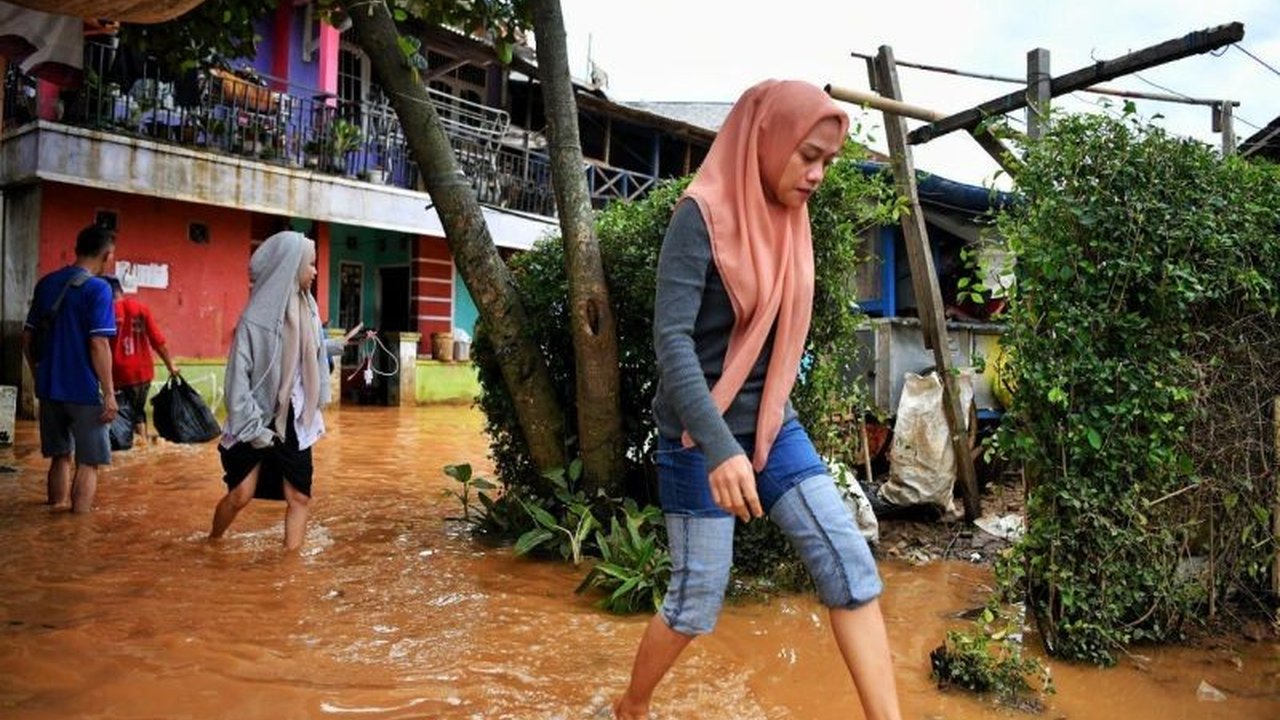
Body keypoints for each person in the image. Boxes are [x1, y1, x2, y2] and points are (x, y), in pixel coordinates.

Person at [613, 81, 902, 719]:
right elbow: (673, 342)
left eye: (827, 160)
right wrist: (719, 449)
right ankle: (631, 706)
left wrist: (754, 438)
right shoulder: (701, 215)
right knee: (697, 600)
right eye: (808, 156)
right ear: (768, 141)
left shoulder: (791, 221)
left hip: (774, 426)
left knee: (848, 559)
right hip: (698, 433)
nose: (818, 174)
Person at [209, 230, 346, 552]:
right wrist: (252, 427)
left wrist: (337, 346)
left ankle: (290, 569)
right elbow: (236, 382)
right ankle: (211, 543)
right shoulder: (252, 322)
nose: (314, 272)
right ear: (289, 266)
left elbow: (305, 350)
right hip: (256, 417)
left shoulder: (308, 310)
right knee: (241, 494)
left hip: (295, 416)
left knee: (299, 496)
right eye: (310, 265)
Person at [21, 225, 119, 513]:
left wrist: (39, 376)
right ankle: (77, 535)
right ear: (107, 255)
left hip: (50, 389)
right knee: (89, 462)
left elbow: (27, 337)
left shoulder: (47, 283)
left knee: (60, 456)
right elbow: (99, 343)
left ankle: (55, 521)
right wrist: (110, 393)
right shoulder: (99, 288)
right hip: (84, 391)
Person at [104, 275, 179, 444]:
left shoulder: (106, 312)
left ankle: (132, 446)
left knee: (123, 414)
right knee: (138, 411)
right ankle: (143, 445)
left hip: (117, 374)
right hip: (143, 373)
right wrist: (170, 365)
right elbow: (158, 341)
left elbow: (98, 344)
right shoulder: (141, 309)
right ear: (120, 291)